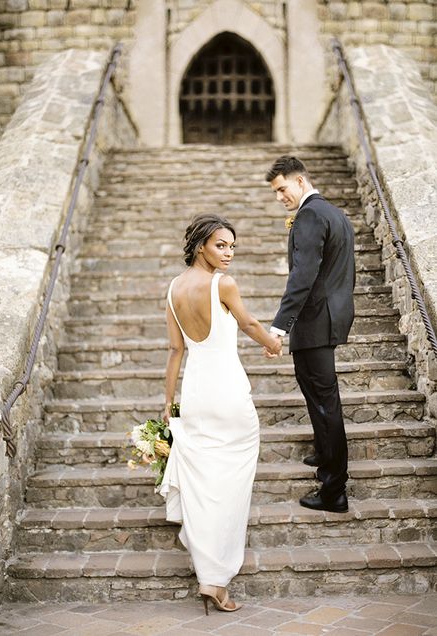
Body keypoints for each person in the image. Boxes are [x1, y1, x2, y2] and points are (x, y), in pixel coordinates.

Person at [159, 214, 281, 614]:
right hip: (227, 393)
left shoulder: (174, 289)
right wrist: (273, 344)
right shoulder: (222, 284)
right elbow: (247, 322)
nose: (228, 254)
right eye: (220, 246)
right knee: (230, 486)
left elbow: (175, 351)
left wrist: (167, 403)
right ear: (201, 247)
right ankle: (215, 577)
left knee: (203, 480)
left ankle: (206, 567)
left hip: (195, 393)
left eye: (232, 247)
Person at [265, 156, 355, 514]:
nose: (279, 197)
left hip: (316, 319)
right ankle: (322, 450)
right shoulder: (336, 214)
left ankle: (334, 490)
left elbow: (302, 276)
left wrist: (278, 327)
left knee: (324, 400)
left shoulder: (310, 216)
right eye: (275, 192)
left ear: (300, 181)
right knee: (313, 389)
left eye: (282, 189)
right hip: (327, 316)